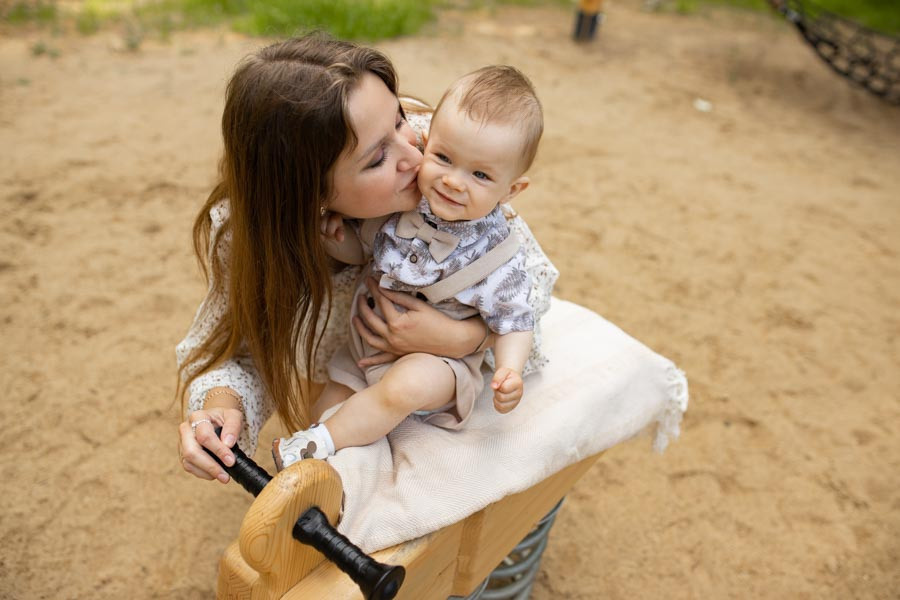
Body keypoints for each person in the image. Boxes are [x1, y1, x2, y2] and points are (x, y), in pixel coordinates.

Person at [176, 34, 558, 485]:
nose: (415, 156)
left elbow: (529, 289)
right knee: (329, 424)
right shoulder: (249, 234)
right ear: (311, 195)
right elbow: (237, 349)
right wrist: (221, 407)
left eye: (399, 119)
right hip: (352, 366)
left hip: (443, 379)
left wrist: (464, 338)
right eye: (378, 159)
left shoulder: (452, 151)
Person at [273, 66, 544, 468]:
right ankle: (317, 454)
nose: (453, 181)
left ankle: (322, 441)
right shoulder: (405, 203)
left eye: (480, 174)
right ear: (426, 142)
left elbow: (515, 320)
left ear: (511, 190)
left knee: (406, 386)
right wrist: (335, 240)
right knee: (328, 402)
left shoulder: (499, 253)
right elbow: (365, 251)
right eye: (444, 158)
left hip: (441, 364)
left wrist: (510, 369)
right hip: (367, 349)